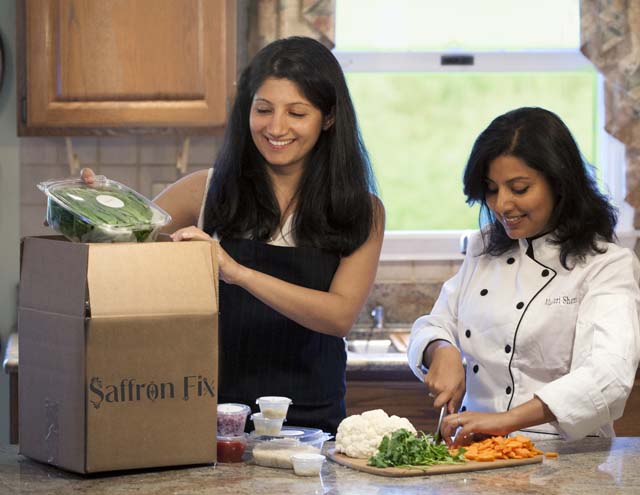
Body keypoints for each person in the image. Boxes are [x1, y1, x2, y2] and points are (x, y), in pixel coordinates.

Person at [82, 36, 384, 434]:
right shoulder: (203, 192)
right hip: (214, 419)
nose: (276, 128)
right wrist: (93, 207)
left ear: (328, 118)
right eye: (263, 110)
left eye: (296, 113)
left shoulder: (362, 211)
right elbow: (124, 253)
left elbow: (339, 315)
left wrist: (237, 272)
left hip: (313, 426)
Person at [407, 107, 640, 446]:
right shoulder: (483, 248)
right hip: (473, 450)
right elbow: (433, 323)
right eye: (490, 189)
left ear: (560, 184)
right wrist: (441, 349)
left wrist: (506, 421)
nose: (501, 204)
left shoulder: (607, 265)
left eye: (519, 188)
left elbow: (608, 376)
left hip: (564, 455)